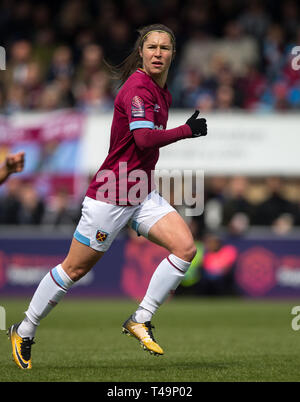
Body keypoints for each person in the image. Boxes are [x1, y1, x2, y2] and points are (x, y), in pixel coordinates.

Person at [8, 23, 208, 370]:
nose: (158, 53)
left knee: (185, 248)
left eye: (165, 48)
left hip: (140, 192)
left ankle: (140, 318)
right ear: (141, 53)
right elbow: (144, 140)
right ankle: (24, 329)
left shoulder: (164, 93)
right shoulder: (137, 89)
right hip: (111, 194)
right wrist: (186, 131)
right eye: (152, 48)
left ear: (173, 54)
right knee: (74, 269)